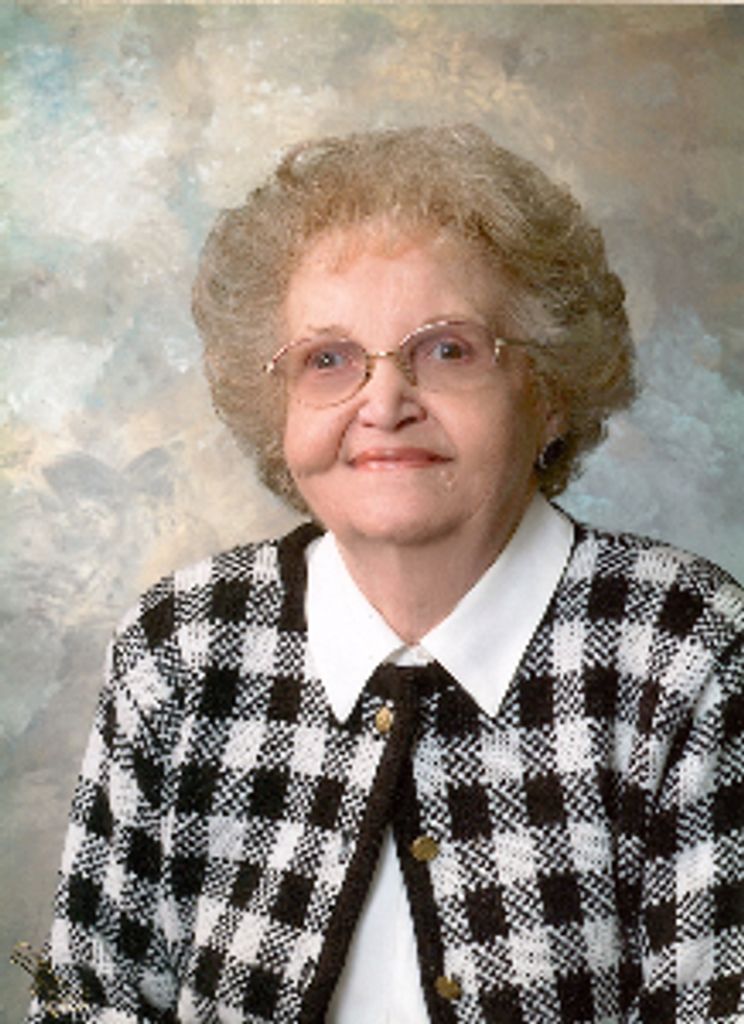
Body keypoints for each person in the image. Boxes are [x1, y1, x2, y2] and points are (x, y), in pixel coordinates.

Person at [26, 125, 743, 1024]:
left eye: (447, 350)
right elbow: (87, 1003)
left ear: (550, 390)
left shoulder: (685, 645)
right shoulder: (182, 644)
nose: (384, 403)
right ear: (279, 406)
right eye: (327, 360)